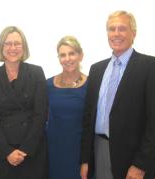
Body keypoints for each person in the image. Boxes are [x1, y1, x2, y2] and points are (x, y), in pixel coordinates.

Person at [80, 10, 155, 179]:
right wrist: (85, 159)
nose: (116, 34)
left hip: (133, 159)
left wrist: (140, 164)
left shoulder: (151, 67)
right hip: (99, 152)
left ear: (133, 33)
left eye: (122, 28)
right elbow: (88, 118)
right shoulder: (97, 69)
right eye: (112, 29)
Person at [0, 26, 48, 179]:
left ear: (23, 47)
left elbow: (41, 114)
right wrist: (8, 152)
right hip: (5, 153)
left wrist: (25, 150)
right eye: (8, 43)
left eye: (17, 44)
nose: (13, 48)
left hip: (33, 151)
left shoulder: (36, 73)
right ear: (1, 47)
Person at [47, 36, 88, 179]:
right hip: (53, 152)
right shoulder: (48, 85)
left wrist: (87, 160)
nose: (67, 58)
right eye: (62, 55)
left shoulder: (91, 85)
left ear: (80, 55)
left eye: (72, 53)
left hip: (79, 153)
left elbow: (91, 124)